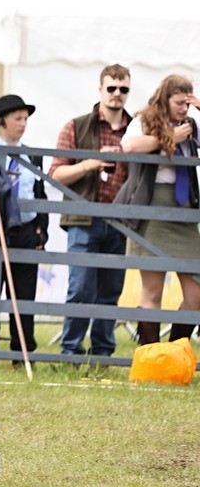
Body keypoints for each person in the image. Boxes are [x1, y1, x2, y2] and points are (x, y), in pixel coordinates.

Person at [49, 64, 133, 359]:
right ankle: (71, 352)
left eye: (123, 89)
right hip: (83, 219)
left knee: (110, 291)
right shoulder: (76, 125)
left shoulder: (136, 129)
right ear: (100, 90)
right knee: (80, 289)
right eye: (111, 88)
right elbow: (56, 174)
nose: (117, 94)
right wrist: (91, 163)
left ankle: (102, 353)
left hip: (121, 221)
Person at [116, 74, 200, 344]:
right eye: (179, 103)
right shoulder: (144, 120)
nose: (184, 109)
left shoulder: (191, 125)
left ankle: (176, 351)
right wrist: (169, 137)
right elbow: (129, 146)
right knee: (152, 289)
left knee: (196, 294)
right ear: (165, 99)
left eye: (188, 103)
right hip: (152, 207)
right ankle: (151, 355)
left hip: (184, 210)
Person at [0, 94, 49, 359]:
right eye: (17, 118)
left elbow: (40, 193)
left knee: (23, 295)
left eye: (25, 119)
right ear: (1, 121)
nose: (23, 124)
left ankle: (22, 352)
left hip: (25, 229)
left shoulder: (32, 155)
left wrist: (40, 230)